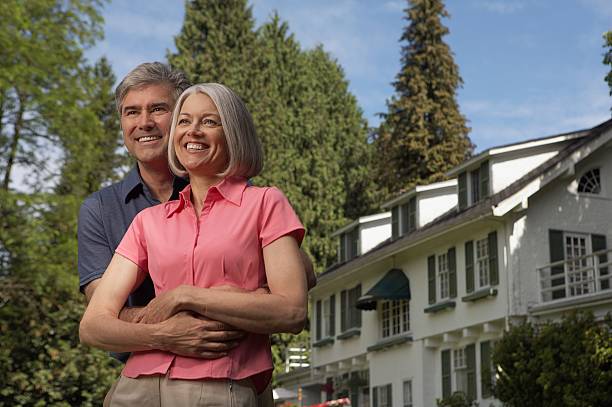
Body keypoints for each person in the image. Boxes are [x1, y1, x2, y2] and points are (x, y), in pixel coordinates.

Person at [77, 62, 315, 405]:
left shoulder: (259, 201)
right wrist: (166, 334)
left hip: (223, 379)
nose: (193, 131)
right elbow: (96, 322)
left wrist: (186, 296)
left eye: (158, 109)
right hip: (137, 381)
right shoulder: (134, 217)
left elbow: (294, 301)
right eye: (186, 122)